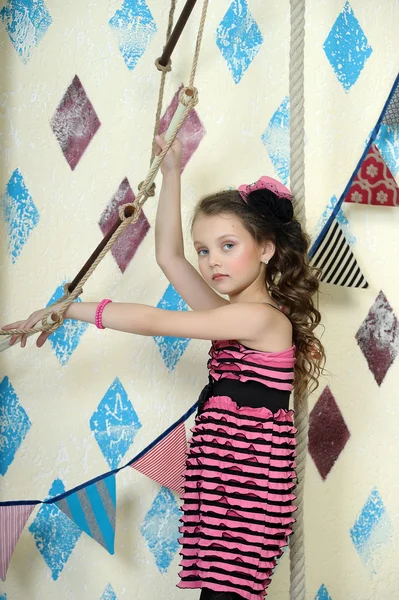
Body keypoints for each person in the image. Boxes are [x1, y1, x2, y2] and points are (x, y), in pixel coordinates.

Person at [2, 136, 324, 600]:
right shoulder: (226, 315)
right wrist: (172, 173)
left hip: (250, 489)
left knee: (227, 594)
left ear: (267, 249)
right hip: (217, 478)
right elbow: (169, 257)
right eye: (205, 249)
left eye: (228, 245)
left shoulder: (262, 319)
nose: (212, 261)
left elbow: (155, 320)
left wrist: (67, 309)